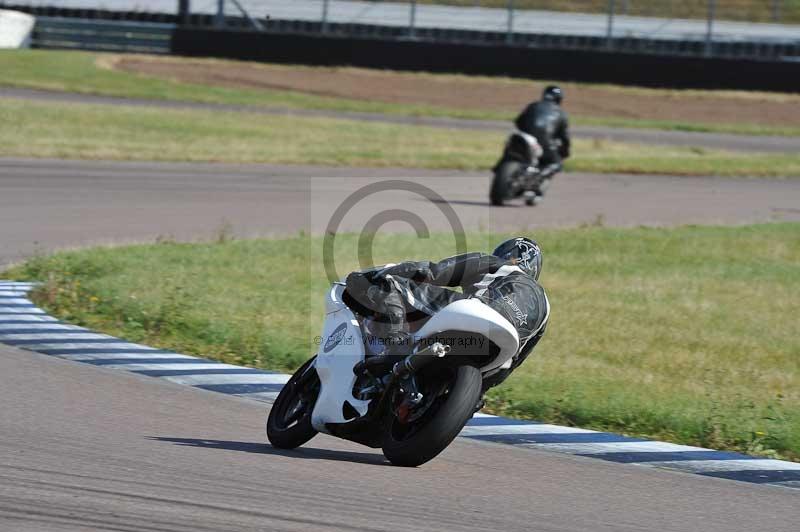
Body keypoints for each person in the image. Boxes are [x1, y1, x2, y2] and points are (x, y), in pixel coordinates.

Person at [345, 237, 550, 392]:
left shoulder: (500, 265)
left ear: (505, 254)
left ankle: (395, 343)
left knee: (391, 282)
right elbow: (515, 362)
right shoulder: (545, 308)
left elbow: (436, 272)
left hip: (479, 311)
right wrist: (476, 394)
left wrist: (396, 270)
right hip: (500, 354)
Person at [514, 85, 571, 199]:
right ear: (559, 99)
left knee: (512, 147)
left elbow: (518, 121)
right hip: (544, 142)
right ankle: (538, 178)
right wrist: (565, 151)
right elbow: (564, 137)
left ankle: (500, 168)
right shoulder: (561, 113)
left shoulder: (533, 105)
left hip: (523, 138)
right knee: (556, 163)